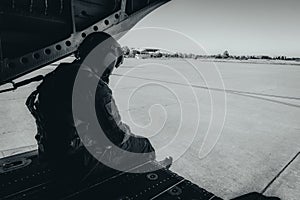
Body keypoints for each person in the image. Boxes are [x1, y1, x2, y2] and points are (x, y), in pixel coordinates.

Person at [26, 32, 172, 173]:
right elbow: (117, 136)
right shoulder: (93, 85)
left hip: (48, 155)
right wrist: (131, 136)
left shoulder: (55, 76)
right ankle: (151, 171)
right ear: (106, 58)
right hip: (76, 162)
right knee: (143, 146)